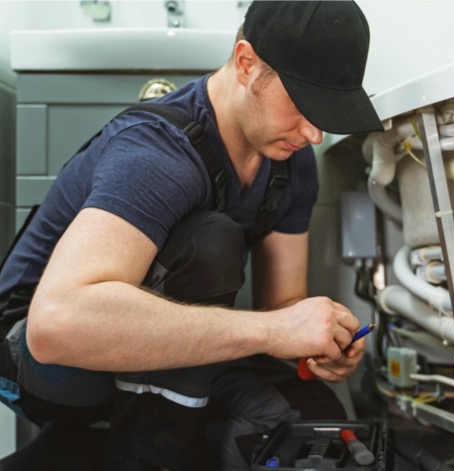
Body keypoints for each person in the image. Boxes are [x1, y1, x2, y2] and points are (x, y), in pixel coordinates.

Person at [0, 1, 383, 470]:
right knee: (210, 242)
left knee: (314, 426)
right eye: (303, 104)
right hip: (41, 359)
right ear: (246, 63)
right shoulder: (156, 153)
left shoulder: (291, 162)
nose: (314, 133)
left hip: (152, 357)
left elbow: (283, 302)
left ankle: (83, 451)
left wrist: (315, 339)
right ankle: (129, 454)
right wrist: (272, 330)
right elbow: (56, 326)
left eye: (326, 111)